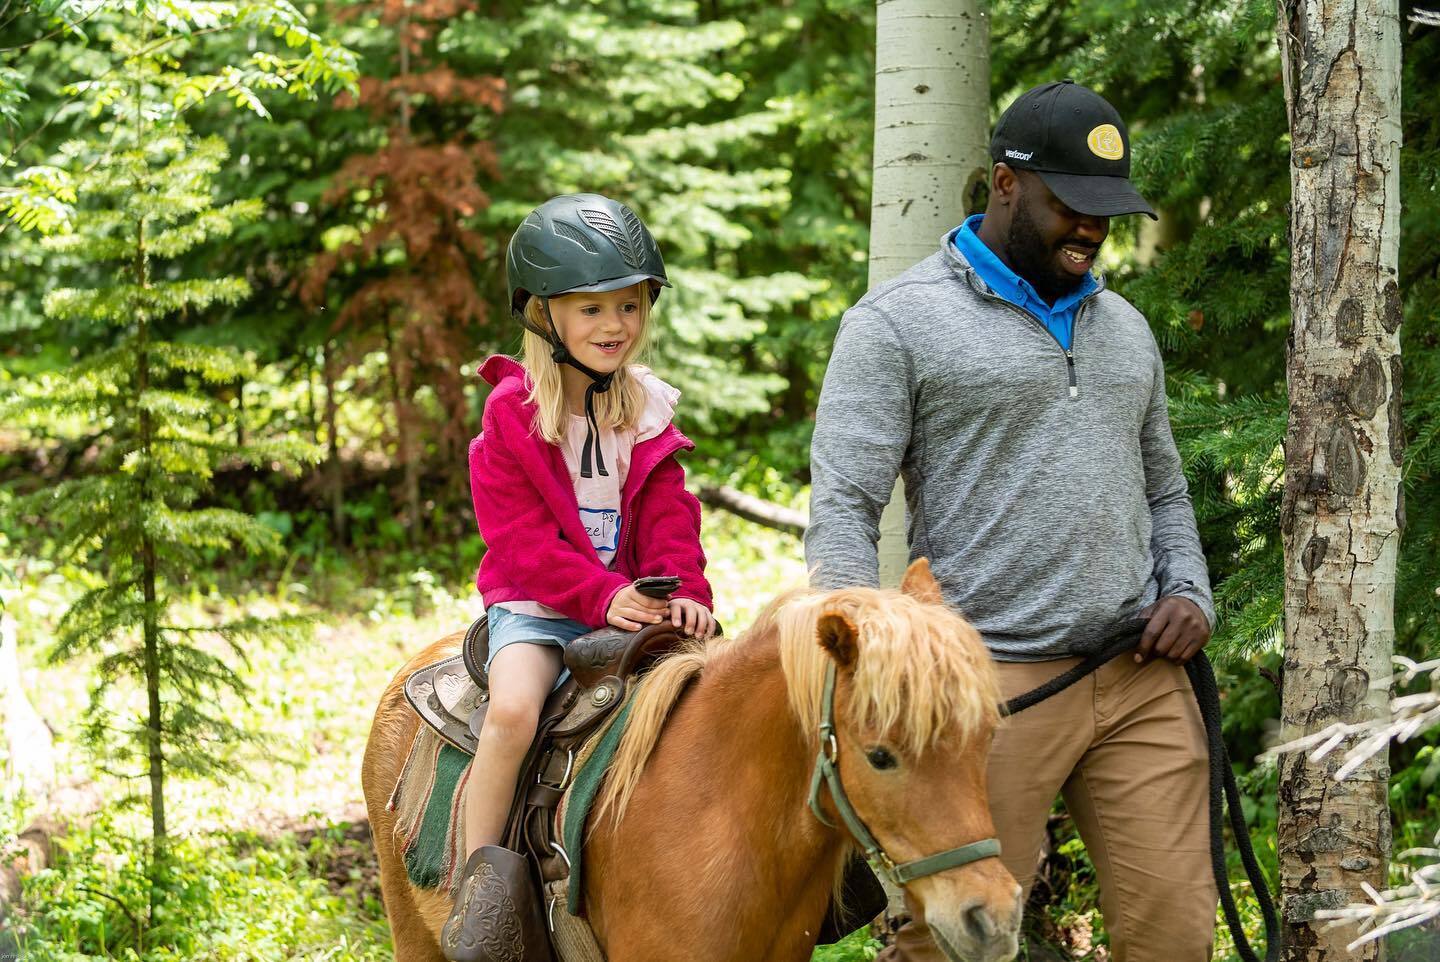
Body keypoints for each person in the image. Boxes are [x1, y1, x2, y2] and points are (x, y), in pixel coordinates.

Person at [805, 81, 1218, 961]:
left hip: (1139, 674)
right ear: (1004, 184)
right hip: (983, 694)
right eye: (1071, 205)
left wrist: (1189, 589)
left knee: (1179, 937)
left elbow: (1165, 491)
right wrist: (867, 657)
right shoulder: (896, 325)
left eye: (1107, 210)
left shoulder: (1127, 329)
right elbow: (844, 502)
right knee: (957, 944)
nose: (1092, 229)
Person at [442, 193, 715, 961]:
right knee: (514, 714)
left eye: (629, 306)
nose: (614, 326)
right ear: (541, 316)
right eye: (590, 309)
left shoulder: (645, 408)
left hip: (628, 607)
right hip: (539, 607)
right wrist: (600, 595)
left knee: (712, 703)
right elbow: (519, 542)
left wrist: (683, 592)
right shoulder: (513, 413)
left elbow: (669, 514)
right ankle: (480, 891)